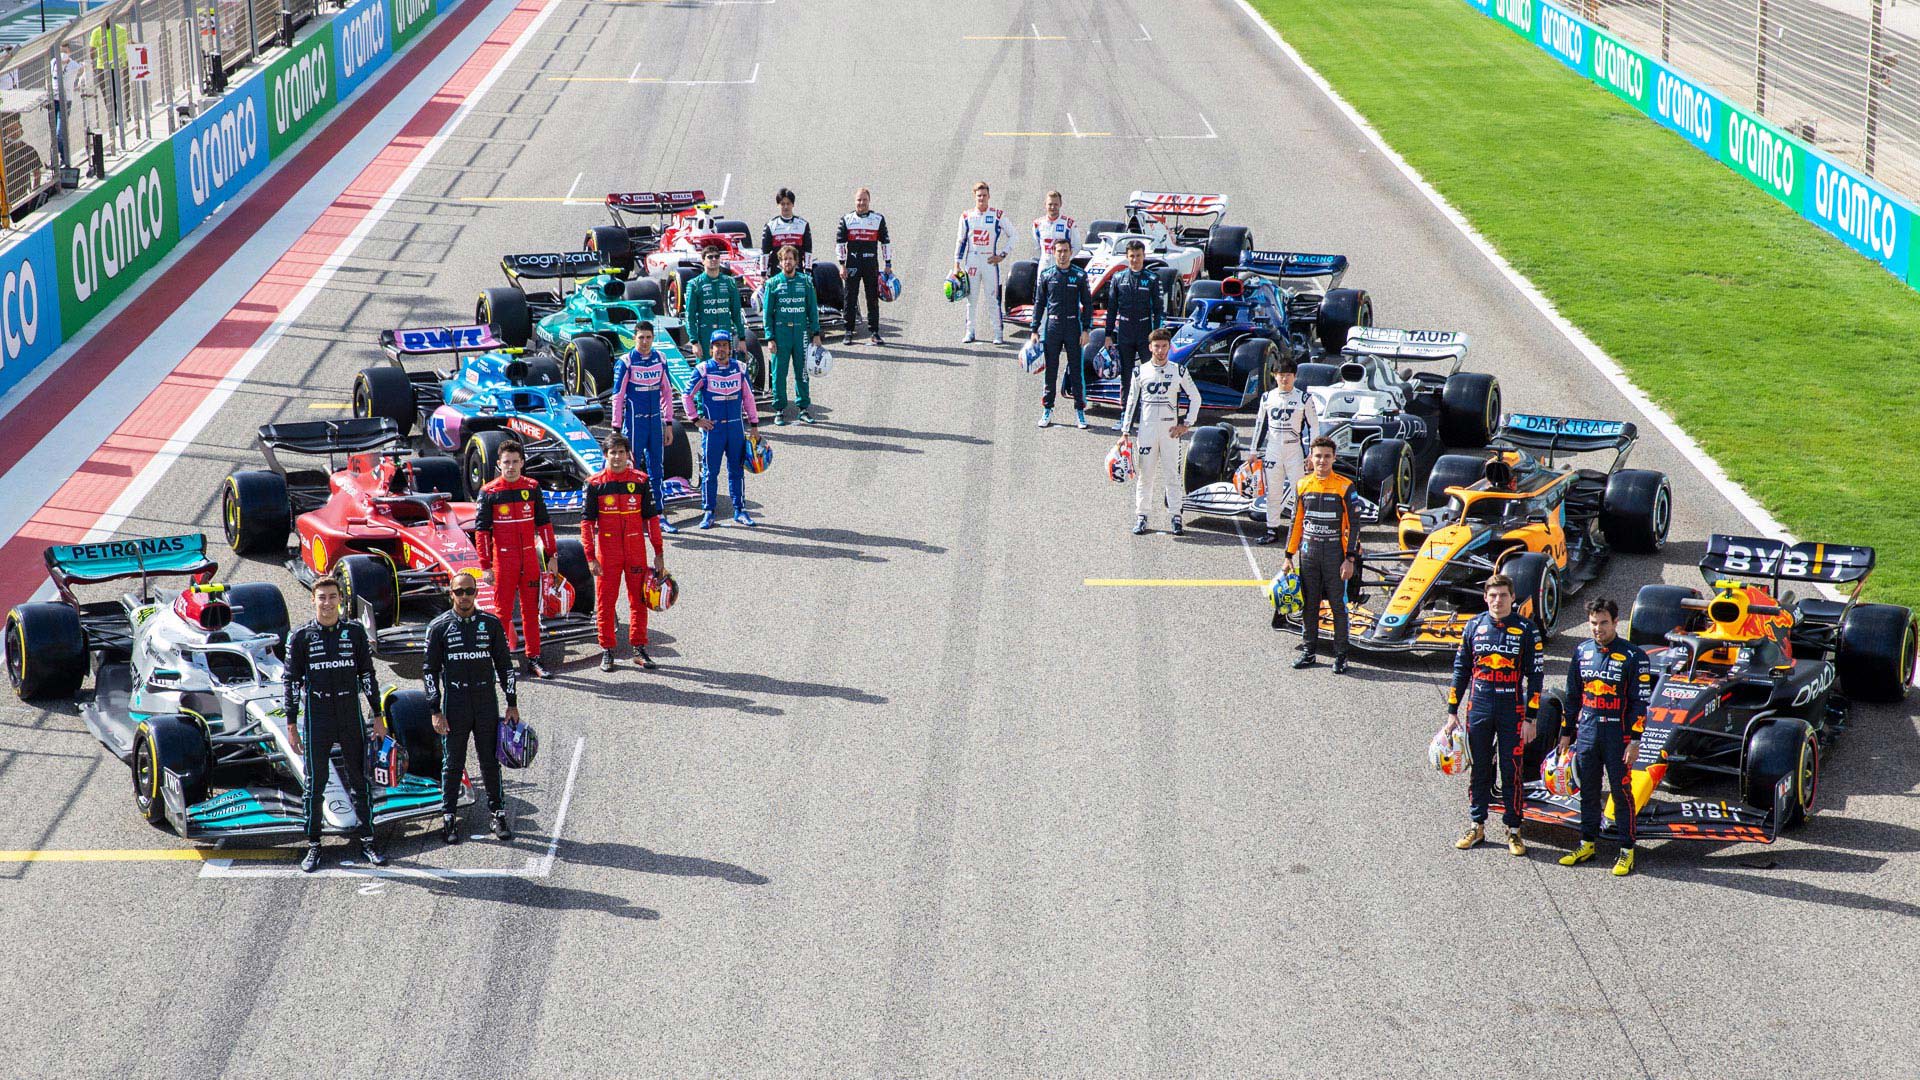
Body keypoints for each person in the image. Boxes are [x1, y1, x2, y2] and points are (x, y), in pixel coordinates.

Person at [285, 576, 387, 873]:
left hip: (349, 713)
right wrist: (291, 723)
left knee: (359, 780)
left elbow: (367, 675)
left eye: (332, 597)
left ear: (341, 599)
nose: (327, 603)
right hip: (317, 716)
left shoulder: (354, 632)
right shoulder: (300, 636)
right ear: (313, 600)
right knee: (315, 784)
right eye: (322, 597)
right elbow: (290, 682)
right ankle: (314, 844)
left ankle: (368, 840)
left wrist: (378, 714)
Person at [1442, 574, 1546, 856]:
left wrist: (1531, 718)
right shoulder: (1474, 626)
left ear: (1512, 598)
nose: (1498, 600)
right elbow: (1460, 670)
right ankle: (1476, 825)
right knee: (1479, 768)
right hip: (1479, 706)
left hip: (1513, 709)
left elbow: (1536, 677)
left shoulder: (1527, 629)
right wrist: (1452, 712)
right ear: (1485, 598)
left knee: (1511, 770)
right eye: (1493, 595)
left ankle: (1514, 829)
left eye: (1503, 595)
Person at [424, 572, 517, 845]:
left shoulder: (491, 624)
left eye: (469, 591)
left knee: (490, 761)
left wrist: (512, 703)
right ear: (450, 593)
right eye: (459, 591)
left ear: (476, 593)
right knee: (453, 762)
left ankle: (498, 813)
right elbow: (429, 671)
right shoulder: (438, 627)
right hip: (455, 704)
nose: (464, 596)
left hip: (486, 701)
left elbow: (505, 666)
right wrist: (435, 710)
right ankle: (449, 816)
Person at [1556, 598, 1647, 876]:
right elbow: (1572, 696)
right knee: (1588, 791)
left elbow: (1640, 703)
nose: (1598, 628)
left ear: (1616, 622)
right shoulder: (1581, 651)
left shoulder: (1634, 656)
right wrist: (1566, 733)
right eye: (1594, 623)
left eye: (1604, 622)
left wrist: (1635, 740)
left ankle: (1627, 850)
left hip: (1619, 737)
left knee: (1621, 793)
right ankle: (1587, 844)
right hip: (1588, 733)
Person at [583, 435, 665, 671]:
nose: (617, 457)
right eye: (613, 453)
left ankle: (639, 648)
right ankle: (607, 649)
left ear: (628, 454)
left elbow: (652, 519)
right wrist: (590, 557)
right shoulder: (594, 484)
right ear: (605, 455)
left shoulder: (641, 481)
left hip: (635, 550)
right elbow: (586, 524)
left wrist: (659, 552)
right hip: (607, 554)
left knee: (639, 600)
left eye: (621, 452)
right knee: (605, 602)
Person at [475, 439, 556, 679]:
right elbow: (481, 532)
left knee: (531, 612)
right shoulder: (489, 492)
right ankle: (499, 662)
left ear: (522, 463)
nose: (510, 467)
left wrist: (551, 555)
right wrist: (485, 566)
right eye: (506, 462)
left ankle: (534, 658)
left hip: (529, 559)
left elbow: (544, 523)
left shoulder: (532, 487)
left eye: (514, 462)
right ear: (499, 464)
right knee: (502, 613)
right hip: (503, 561)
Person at [1284, 437, 1363, 672]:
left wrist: (1350, 559)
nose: (1322, 460)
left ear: (1334, 458)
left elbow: (1355, 525)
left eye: (1327, 456)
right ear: (1311, 457)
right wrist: (1288, 555)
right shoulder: (1302, 485)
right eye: (1318, 456)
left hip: (1334, 555)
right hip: (1308, 554)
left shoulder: (1345, 486)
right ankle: (1309, 652)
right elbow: (1296, 522)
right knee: (1310, 605)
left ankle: (1341, 655)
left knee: (1338, 605)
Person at [1119, 327, 1199, 535]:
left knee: (1173, 475)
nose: (1161, 351)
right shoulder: (1140, 371)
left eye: (1164, 346)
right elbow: (1131, 401)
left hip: (1170, 433)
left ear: (1169, 347)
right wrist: (1125, 431)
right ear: (1150, 348)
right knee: (1145, 476)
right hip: (1146, 432)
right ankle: (1141, 516)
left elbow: (1196, 397)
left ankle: (1176, 516)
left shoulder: (1179, 371)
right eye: (1157, 346)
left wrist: (1186, 424)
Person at [682, 330, 762, 529]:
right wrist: (695, 419)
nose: (721, 349)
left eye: (724, 345)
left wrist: (754, 425)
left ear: (730, 348)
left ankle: (740, 510)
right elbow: (686, 395)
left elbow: (749, 398)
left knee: (737, 470)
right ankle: (709, 512)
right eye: (717, 346)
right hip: (713, 430)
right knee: (710, 472)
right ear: (711, 349)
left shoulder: (740, 368)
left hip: (736, 428)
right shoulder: (703, 369)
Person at [609, 321, 680, 533]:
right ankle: (633, 516)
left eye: (649, 337)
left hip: (655, 423)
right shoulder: (626, 362)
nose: (645, 342)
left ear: (653, 338)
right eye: (641, 338)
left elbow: (667, 392)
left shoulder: (661, 358)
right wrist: (616, 428)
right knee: (632, 471)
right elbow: (617, 397)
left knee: (657, 468)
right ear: (634, 338)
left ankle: (659, 514)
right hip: (634, 424)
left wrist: (669, 423)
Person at [1252, 358, 1323, 545]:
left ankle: (1300, 532)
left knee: (1299, 493)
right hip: (1273, 450)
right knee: (1273, 493)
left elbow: (1314, 426)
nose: (1285, 379)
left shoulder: (1304, 398)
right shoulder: (1267, 397)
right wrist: (1253, 450)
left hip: (1294, 451)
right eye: (1281, 375)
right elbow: (1260, 424)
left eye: (1288, 375)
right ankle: (1272, 529)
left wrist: (1313, 453)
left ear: (1295, 376)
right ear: (1274, 376)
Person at [1102, 239, 1165, 429]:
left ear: (1144, 256)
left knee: (1150, 374)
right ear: (1127, 257)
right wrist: (1108, 334)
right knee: (1126, 375)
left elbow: (1159, 310)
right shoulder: (1118, 278)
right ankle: (1125, 415)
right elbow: (1111, 308)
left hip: (1146, 332)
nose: (1135, 259)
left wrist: (1157, 336)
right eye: (1132, 256)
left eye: (1138, 256)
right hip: (1125, 332)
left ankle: (1149, 415)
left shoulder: (1152, 279)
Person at [1032, 238, 1093, 428]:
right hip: (1053, 327)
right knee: (1051, 371)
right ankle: (1047, 409)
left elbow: (1088, 304)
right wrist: (1034, 329)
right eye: (1059, 251)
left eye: (1065, 251)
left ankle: (1080, 411)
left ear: (1071, 252)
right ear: (1053, 252)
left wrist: (1086, 329)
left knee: (1076, 371)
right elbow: (1039, 303)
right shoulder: (1047, 275)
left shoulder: (1080, 275)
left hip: (1073, 327)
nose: (1062, 254)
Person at [762, 244, 824, 425]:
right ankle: (779, 409)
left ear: (796, 261)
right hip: (780, 334)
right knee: (779, 373)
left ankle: (803, 408)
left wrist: (816, 333)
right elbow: (767, 314)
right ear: (780, 263)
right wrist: (770, 338)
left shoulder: (805, 282)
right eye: (784, 259)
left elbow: (812, 309)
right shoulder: (773, 283)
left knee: (802, 372)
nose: (787, 262)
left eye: (791, 259)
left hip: (801, 334)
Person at [953, 180, 1011, 345]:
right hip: (972, 261)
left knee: (993, 299)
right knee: (971, 299)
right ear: (974, 196)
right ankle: (969, 332)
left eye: (984, 195)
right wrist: (956, 264)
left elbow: (1014, 235)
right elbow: (961, 240)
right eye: (979, 195)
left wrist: (1002, 255)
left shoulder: (997, 215)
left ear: (989, 196)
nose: (982, 198)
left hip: (990, 263)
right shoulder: (966, 216)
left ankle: (998, 333)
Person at [836, 186, 891, 345]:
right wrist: (842, 265)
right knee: (850, 297)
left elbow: (885, 242)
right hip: (852, 264)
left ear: (869, 201)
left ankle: (874, 332)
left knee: (872, 298)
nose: (861, 203)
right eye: (859, 200)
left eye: (864, 200)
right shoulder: (846, 219)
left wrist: (888, 263)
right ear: (855, 201)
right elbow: (840, 244)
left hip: (871, 264)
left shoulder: (878, 219)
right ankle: (848, 331)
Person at [683, 247, 745, 362]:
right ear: (703, 261)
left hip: (725, 332)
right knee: (705, 368)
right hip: (705, 334)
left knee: (726, 366)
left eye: (717, 256)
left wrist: (742, 339)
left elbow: (736, 312)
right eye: (710, 257)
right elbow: (690, 316)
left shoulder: (729, 282)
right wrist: (694, 342)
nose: (714, 259)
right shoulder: (695, 284)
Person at [760, 187, 812, 273]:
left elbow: (808, 251)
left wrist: (808, 271)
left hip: (797, 272)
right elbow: (765, 252)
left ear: (793, 204)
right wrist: (763, 273)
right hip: (777, 273)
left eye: (788, 203)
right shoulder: (770, 225)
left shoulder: (803, 225)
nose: (786, 207)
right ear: (778, 205)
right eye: (782, 204)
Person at [1033, 189, 1075, 260]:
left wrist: (1065, 260)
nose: (1053, 207)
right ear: (1045, 204)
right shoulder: (1037, 224)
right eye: (1050, 204)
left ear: (1060, 204)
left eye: (1056, 204)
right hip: (1045, 264)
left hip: (1062, 264)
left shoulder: (1069, 223)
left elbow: (1076, 246)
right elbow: (1037, 247)